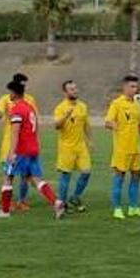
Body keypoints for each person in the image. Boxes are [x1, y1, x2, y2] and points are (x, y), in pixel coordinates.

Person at [0, 80, 66, 220]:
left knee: (8, 177)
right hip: (33, 149)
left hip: (21, 150)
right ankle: (56, 202)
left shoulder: (17, 109)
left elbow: (15, 132)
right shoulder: (30, 107)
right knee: (36, 179)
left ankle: (4, 211)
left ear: (13, 93)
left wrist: (12, 152)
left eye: (10, 92)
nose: (9, 95)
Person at [105, 74, 140, 219]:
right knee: (119, 178)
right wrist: (113, 125)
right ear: (124, 87)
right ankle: (117, 208)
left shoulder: (137, 105)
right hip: (122, 149)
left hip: (136, 148)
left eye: (136, 86)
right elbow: (107, 121)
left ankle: (133, 207)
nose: (135, 89)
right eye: (132, 86)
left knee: (136, 177)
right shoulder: (116, 104)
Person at [0, 72, 37, 208]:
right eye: (22, 85)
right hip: (10, 140)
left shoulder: (30, 99)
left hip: (25, 142)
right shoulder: (5, 98)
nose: (24, 88)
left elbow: (34, 118)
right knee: (9, 173)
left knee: (25, 174)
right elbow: (0, 112)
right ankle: (10, 202)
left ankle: (22, 200)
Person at [53, 80, 93, 211]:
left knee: (86, 172)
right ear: (65, 92)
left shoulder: (83, 106)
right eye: (71, 89)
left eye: (75, 88)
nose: (75, 91)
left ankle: (75, 197)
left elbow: (86, 125)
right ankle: (63, 204)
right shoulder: (60, 107)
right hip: (66, 146)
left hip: (81, 146)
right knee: (66, 176)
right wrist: (66, 116)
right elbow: (57, 126)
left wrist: (90, 140)